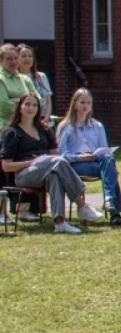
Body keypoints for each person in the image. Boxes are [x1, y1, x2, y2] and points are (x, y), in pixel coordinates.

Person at [2, 91, 101, 232]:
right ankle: (82, 205)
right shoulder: (12, 132)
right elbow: (6, 166)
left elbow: (55, 155)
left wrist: (45, 161)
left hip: (48, 169)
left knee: (55, 175)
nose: (31, 108)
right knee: (58, 162)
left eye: (34, 105)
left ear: (38, 109)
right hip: (24, 174)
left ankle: (59, 223)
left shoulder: (45, 130)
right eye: (27, 104)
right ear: (20, 108)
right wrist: (31, 162)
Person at [54, 87, 121, 225]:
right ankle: (114, 211)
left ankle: (109, 201)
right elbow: (62, 155)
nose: (85, 106)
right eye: (82, 102)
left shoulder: (97, 125)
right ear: (75, 104)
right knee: (110, 171)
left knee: (108, 161)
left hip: (96, 161)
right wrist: (80, 157)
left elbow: (104, 149)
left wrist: (96, 154)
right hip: (75, 165)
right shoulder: (66, 126)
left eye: (88, 103)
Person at [0, 43, 39, 126]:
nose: (13, 61)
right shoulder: (1, 79)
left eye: (16, 58)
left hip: (26, 125)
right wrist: (26, 103)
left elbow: (39, 102)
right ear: (1, 61)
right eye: (9, 59)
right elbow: (4, 106)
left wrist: (15, 100)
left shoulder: (25, 79)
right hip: (5, 126)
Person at [16, 45, 51, 118]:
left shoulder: (41, 77)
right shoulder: (13, 78)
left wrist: (46, 118)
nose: (27, 59)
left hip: (42, 118)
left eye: (30, 56)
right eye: (24, 56)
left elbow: (48, 101)